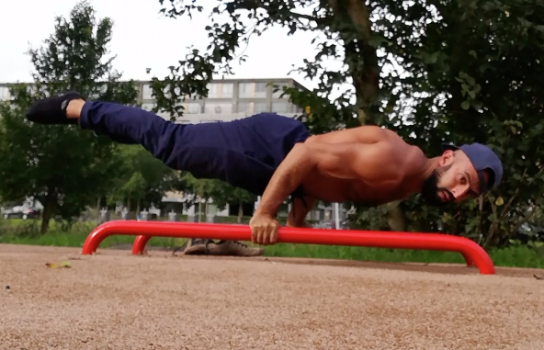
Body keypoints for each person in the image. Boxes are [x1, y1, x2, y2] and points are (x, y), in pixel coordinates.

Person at [25, 92, 503, 255]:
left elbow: (323, 176)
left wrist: (297, 213)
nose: (459, 192)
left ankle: (87, 111)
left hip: (284, 159)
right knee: (171, 144)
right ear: (447, 157)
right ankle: (80, 107)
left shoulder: (406, 181)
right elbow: (305, 155)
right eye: (462, 177)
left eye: (469, 192)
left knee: (173, 147)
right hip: (272, 149)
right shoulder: (394, 162)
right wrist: (266, 210)